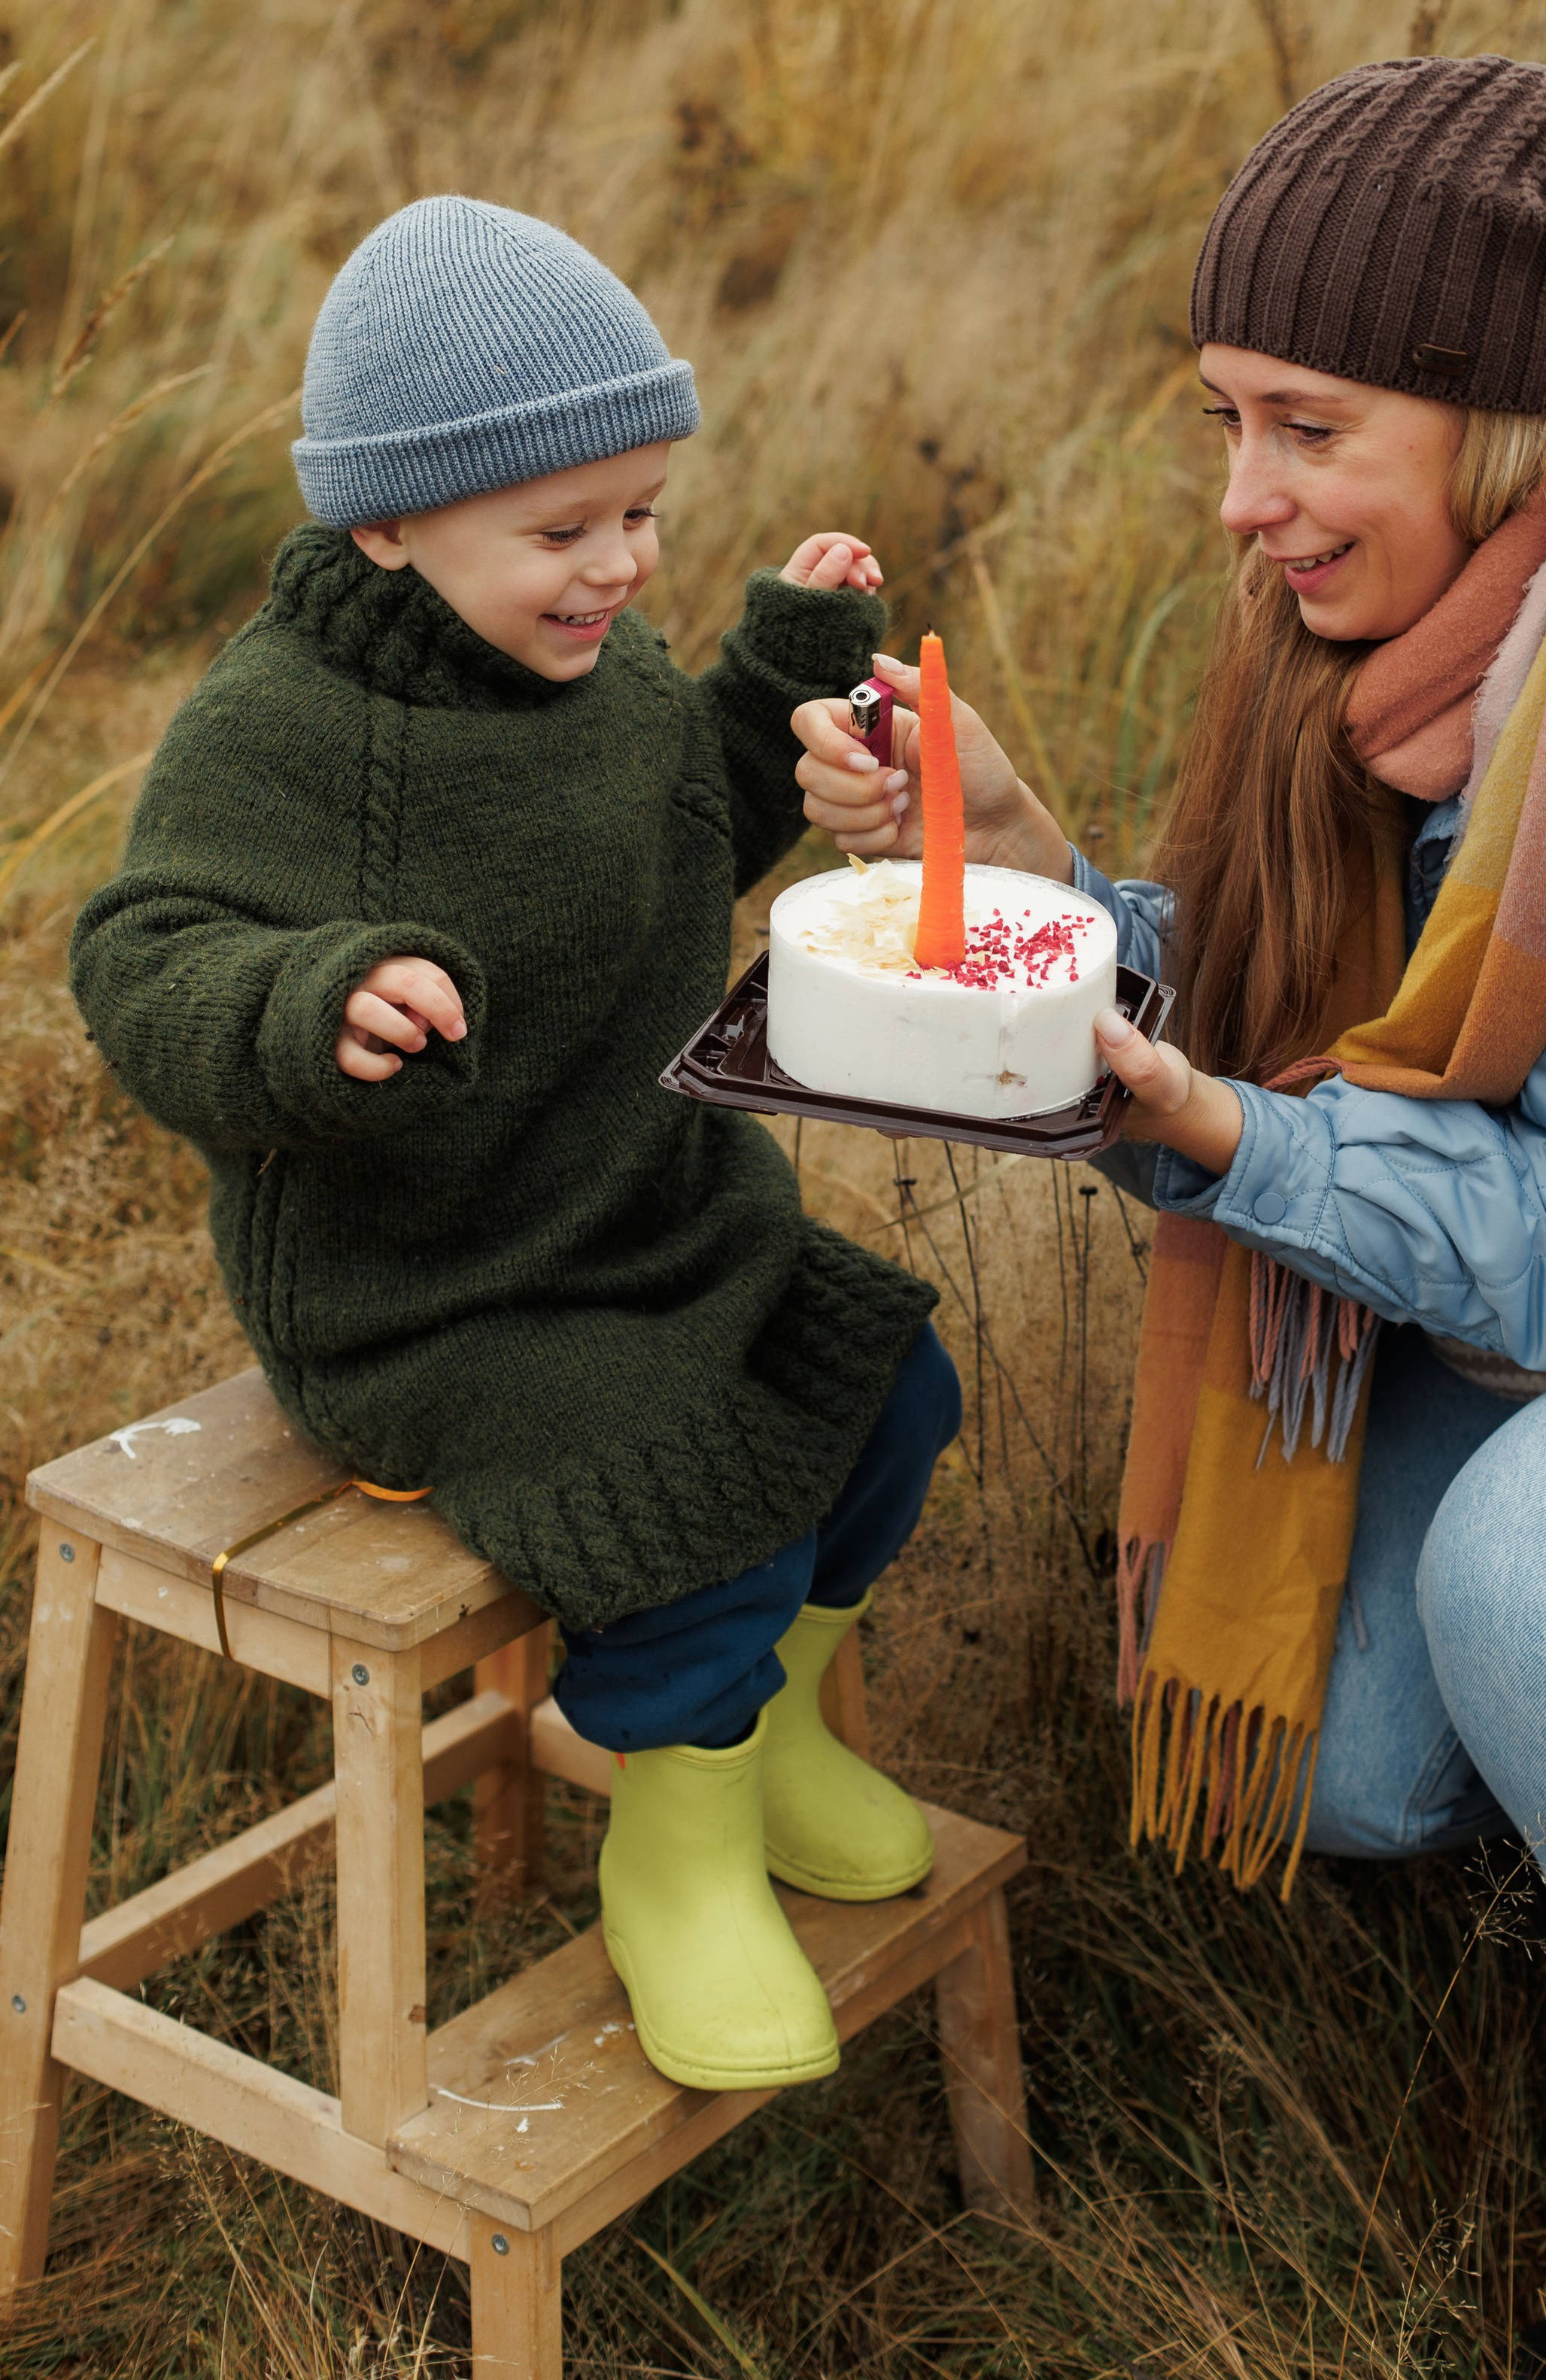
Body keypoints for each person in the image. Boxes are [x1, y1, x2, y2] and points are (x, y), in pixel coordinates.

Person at [793, 55, 1546, 2380]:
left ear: (1494, 418)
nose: (1244, 503)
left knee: (1542, 1584)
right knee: (1346, 1762)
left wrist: (1207, 1130)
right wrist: (1019, 862)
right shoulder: (1403, 647)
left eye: (1307, 429)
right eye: (1227, 420)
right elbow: (1325, 1021)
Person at [71, 194, 955, 2097]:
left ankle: (768, 1716)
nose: (618, 566)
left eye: (640, 512)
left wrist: (776, 676)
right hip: (431, 1289)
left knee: (887, 1372)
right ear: (386, 524)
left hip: (631, 1205)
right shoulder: (283, 731)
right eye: (563, 532)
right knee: (685, 1465)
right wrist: (313, 1004)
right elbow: (145, 957)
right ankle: (678, 1829)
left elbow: (671, 828)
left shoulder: (590, 662)